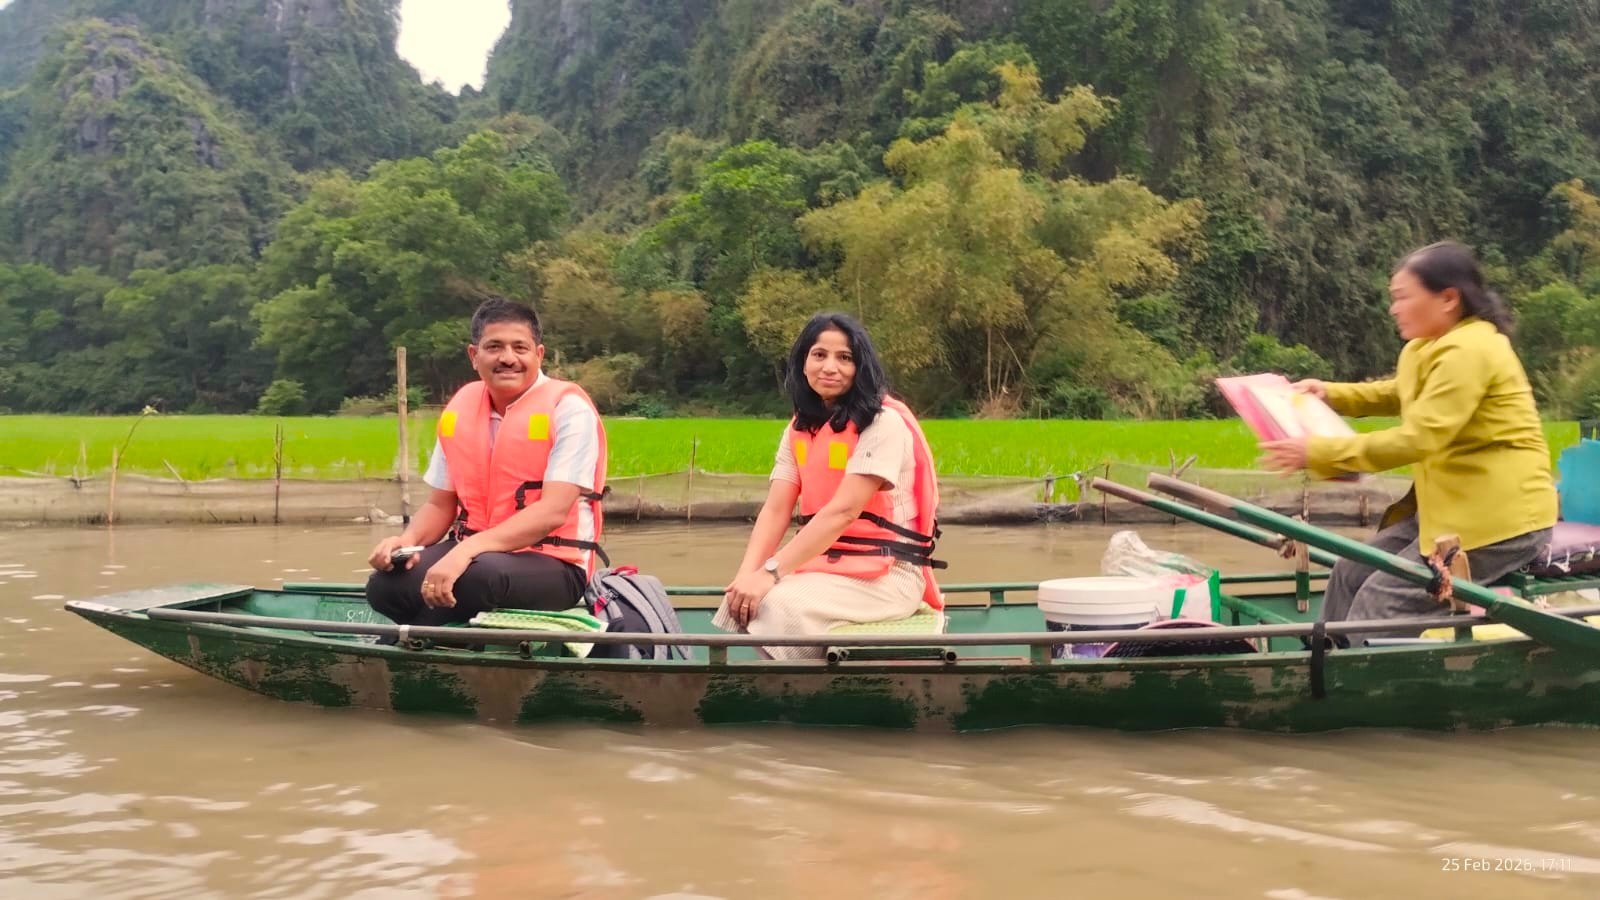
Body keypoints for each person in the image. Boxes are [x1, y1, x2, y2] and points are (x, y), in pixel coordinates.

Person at [1260, 241, 1557, 637]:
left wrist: (1318, 452)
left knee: (1381, 601)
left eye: (1402, 297)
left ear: (1448, 298)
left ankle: (1363, 690)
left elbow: (1419, 438)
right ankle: (1324, 667)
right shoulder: (1426, 348)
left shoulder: (1472, 350)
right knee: (1350, 573)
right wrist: (1331, 394)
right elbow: (1399, 392)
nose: (1393, 308)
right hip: (1446, 513)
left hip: (1499, 523)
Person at [365, 296, 607, 630]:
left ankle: (416, 646)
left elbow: (553, 511)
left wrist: (465, 552)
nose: (508, 358)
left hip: (554, 564)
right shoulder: (460, 408)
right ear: (473, 355)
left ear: (539, 355)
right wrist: (405, 544)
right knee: (385, 586)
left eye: (520, 348)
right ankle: (434, 643)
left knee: (477, 579)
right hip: (476, 554)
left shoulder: (568, 409)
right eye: (494, 347)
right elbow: (440, 505)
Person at [714, 312, 944, 659]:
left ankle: (806, 695)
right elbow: (776, 509)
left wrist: (771, 573)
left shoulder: (883, 423)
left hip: (889, 575)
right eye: (819, 355)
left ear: (860, 367)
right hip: (828, 567)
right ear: (803, 363)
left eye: (845, 358)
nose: (830, 367)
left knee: (772, 603)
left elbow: (844, 510)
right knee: (739, 601)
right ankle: (790, 688)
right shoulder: (799, 429)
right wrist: (748, 574)